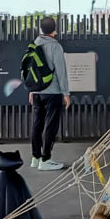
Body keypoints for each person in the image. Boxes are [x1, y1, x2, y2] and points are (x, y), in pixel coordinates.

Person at [28, 16, 70, 171]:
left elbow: (31, 69)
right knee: (51, 125)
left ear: (40, 29)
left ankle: (35, 157)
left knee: (36, 124)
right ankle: (46, 159)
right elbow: (61, 71)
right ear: (55, 30)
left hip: (37, 91)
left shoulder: (34, 44)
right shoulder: (55, 47)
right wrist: (66, 93)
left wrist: (32, 90)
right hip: (52, 93)